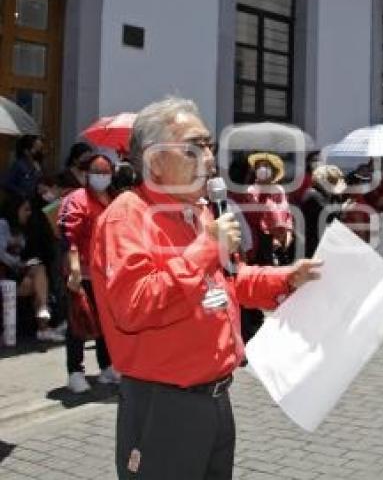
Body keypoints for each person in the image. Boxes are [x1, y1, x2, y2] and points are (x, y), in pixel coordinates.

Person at [89, 97, 322, 480]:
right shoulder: (126, 217)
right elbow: (134, 307)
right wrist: (205, 249)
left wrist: (286, 279)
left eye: (209, 145)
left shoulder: (199, 212)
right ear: (155, 160)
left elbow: (233, 280)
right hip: (164, 405)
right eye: (194, 147)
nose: (209, 158)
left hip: (215, 399)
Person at [60, 150, 120, 393]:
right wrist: (74, 269)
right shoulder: (77, 199)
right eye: (96, 172)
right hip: (82, 271)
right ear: (86, 174)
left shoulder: (113, 198)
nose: (101, 177)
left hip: (106, 272)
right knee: (78, 322)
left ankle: (106, 367)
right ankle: (75, 371)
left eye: (106, 172)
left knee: (106, 322)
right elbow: (68, 235)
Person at [0, 194, 63, 342]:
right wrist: (20, 264)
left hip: (14, 276)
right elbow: (1, 253)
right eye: (25, 209)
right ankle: (44, 326)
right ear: (15, 210)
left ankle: (43, 326)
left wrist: (26, 263)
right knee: (38, 279)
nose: (28, 213)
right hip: (4, 274)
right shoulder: (2, 224)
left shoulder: (22, 230)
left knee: (38, 275)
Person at [300, 164, 348, 258]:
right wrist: (342, 208)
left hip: (325, 241)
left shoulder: (329, 195)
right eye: (335, 181)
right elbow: (327, 215)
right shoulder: (313, 194)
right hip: (313, 243)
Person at [4, 134, 45, 199]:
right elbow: (7, 183)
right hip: (19, 202)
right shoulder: (19, 164)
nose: (39, 152)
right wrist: (21, 192)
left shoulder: (37, 164)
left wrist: (40, 186)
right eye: (35, 149)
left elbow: (37, 180)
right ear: (26, 151)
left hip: (33, 200)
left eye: (40, 148)